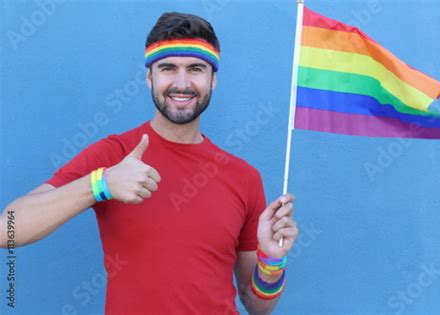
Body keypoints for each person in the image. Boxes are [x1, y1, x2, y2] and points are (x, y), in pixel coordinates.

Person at [0, 12, 298, 314]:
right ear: (149, 77)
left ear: (213, 80)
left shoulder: (244, 177)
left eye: (196, 69)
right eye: (168, 68)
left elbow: (257, 305)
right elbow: (7, 229)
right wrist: (100, 184)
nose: (182, 83)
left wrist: (272, 261)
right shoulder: (113, 155)